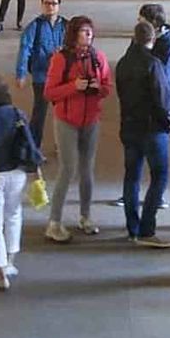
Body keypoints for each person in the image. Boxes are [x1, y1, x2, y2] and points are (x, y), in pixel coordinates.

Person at [43, 15, 112, 242]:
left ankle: (86, 216)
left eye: (90, 31)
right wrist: (73, 87)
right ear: (74, 34)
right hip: (66, 121)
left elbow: (107, 87)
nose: (88, 35)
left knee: (87, 169)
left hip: (91, 119)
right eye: (83, 31)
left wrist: (97, 87)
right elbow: (50, 92)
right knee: (67, 169)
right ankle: (54, 222)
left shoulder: (98, 58)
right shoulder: (61, 59)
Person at [0, 75, 41, 290]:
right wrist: (36, 170)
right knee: (13, 214)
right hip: (17, 171)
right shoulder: (16, 113)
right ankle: (10, 261)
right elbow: (29, 143)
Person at [115, 21, 170, 248]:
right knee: (160, 175)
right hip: (152, 129)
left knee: (132, 176)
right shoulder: (153, 64)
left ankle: (133, 228)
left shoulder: (123, 63)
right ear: (153, 39)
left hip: (129, 126)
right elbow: (162, 99)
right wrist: (167, 123)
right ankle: (147, 229)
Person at [15, 0, 66, 148]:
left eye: (54, 3)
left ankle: (63, 145)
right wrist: (21, 73)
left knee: (64, 114)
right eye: (47, 3)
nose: (50, 7)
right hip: (41, 77)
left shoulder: (66, 26)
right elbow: (25, 49)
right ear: (42, 5)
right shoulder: (34, 26)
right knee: (39, 115)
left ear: (59, 6)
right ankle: (33, 147)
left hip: (62, 78)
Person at [139, 2, 170, 76]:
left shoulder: (166, 45)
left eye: (142, 20)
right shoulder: (141, 34)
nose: (138, 21)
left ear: (153, 23)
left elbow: (164, 72)